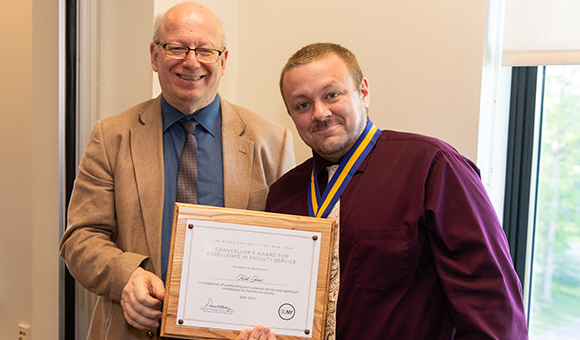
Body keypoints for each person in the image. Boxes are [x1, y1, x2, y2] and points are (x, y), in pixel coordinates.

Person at [59, 2, 293, 339]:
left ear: (223, 61)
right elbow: (80, 238)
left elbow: (287, 250)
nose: (191, 61)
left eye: (205, 50)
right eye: (177, 48)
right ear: (154, 56)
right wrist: (128, 276)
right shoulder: (111, 136)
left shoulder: (272, 141)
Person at [266, 43, 528, 339]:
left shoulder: (432, 167)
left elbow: (490, 300)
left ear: (363, 92)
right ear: (290, 114)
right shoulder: (283, 195)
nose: (320, 113)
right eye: (303, 104)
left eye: (332, 95)